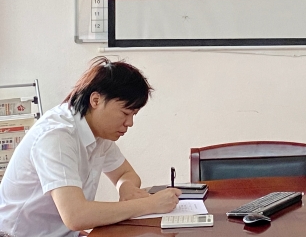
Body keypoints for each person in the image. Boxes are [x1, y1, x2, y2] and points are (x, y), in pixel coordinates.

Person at [0, 57, 181, 237]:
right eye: (125, 113)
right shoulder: (57, 137)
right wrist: (149, 205)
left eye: (134, 114)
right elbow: (76, 216)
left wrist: (125, 187)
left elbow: (126, 174)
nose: (130, 123)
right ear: (95, 100)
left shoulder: (98, 132)